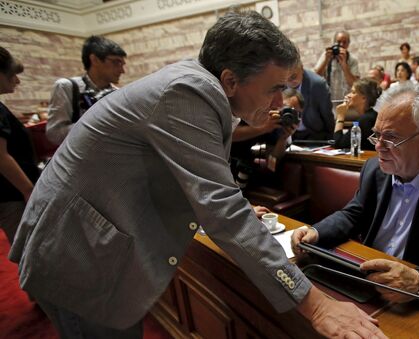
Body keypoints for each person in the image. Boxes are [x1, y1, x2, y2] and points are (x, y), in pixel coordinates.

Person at [9, 12, 385, 339]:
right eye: (274, 88)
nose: (278, 103)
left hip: (86, 242)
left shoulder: (196, 84)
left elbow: (200, 185)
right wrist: (315, 305)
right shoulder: (190, 92)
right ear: (231, 80)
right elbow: (221, 209)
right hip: (79, 257)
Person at [292, 85, 419, 304]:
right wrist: (316, 231)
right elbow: (354, 214)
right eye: (376, 135)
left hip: (413, 297)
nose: (378, 147)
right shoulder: (374, 169)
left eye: (390, 138)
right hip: (366, 278)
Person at [46, 35, 127, 145]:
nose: (122, 70)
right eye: (116, 62)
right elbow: (54, 134)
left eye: (122, 64)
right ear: (94, 59)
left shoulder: (117, 93)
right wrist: (97, 122)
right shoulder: (67, 87)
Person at [0, 47, 39, 246]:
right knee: (29, 249)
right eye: (13, 75)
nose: (17, 80)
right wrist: (28, 189)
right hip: (12, 195)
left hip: (9, 194)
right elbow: (1, 157)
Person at [287, 63, 334, 140]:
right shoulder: (279, 81)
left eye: (293, 76)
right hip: (289, 136)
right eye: (286, 77)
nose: (289, 80)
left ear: (301, 68)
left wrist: (331, 140)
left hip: (314, 135)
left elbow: (327, 116)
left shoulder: (318, 85)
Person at [333, 78, 381, 151]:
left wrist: (340, 116)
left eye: (353, 92)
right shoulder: (370, 115)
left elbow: (338, 144)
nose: (348, 95)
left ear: (364, 98)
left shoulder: (366, 120)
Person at [314, 31, 360, 103]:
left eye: (344, 42)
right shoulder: (326, 55)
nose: (341, 44)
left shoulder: (352, 60)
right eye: (338, 42)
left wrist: (344, 64)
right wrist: (326, 61)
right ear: (334, 42)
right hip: (328, 102)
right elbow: (315, 77)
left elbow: (355, 84)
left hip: (347, 102)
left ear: (348, 44)